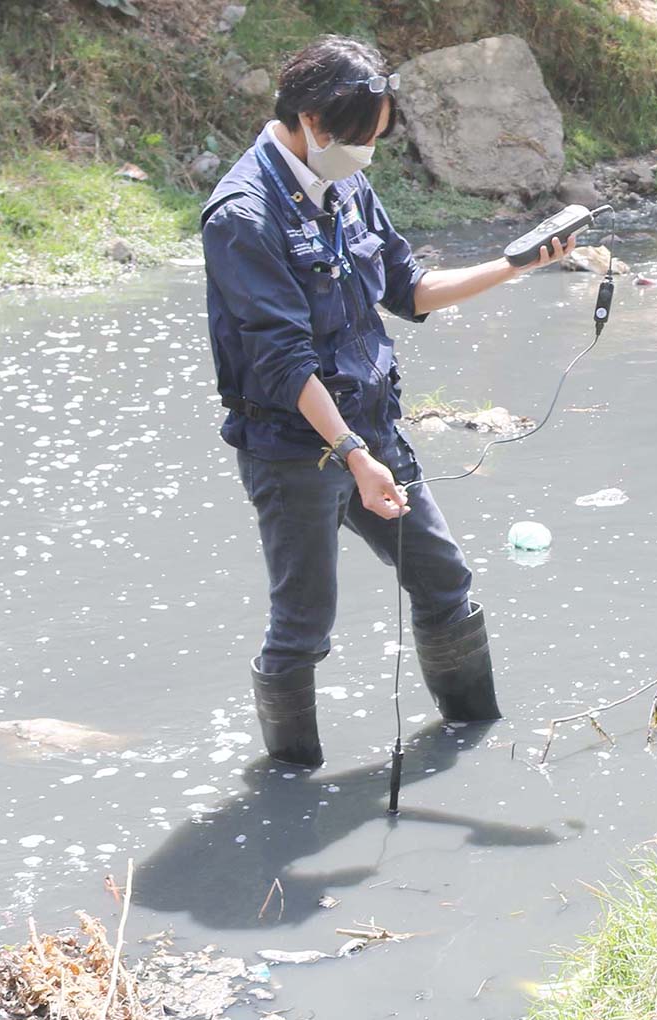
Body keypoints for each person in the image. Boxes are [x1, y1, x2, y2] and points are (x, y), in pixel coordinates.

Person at [201, 36, 575, 768]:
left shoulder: (340, 182)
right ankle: (289, 786)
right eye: (360, 140)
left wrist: (513, 264)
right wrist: (350, 456)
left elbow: (408, 289)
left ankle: (474, 750)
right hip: (296, 452)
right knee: (302, 629)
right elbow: (280, 361)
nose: (366, 155)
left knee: (444, 581)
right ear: (312, 120)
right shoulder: (242, 216)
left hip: (372, 431)